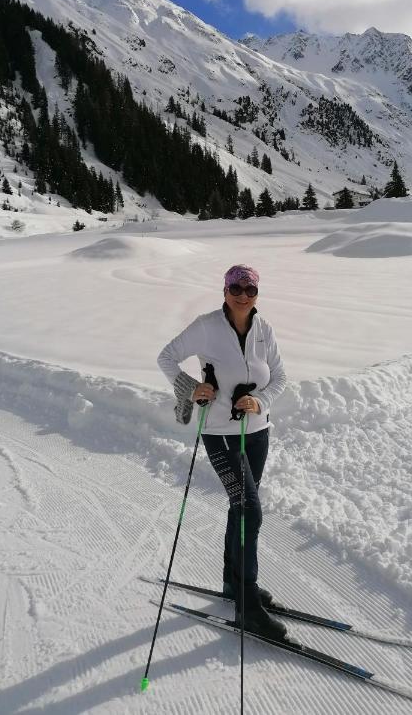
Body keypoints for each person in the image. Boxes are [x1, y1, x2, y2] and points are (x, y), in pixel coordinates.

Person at [157, 264, 288, 640]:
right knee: (249, 509)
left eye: (250, 288)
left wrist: (259, 401)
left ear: (257, 293)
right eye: (236, 287)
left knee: (239, 506)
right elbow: (166, 357)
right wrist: (191, 386)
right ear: (225, 289)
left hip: (257, 432)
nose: (243, 295)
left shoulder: (264, 330)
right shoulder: (207, 325)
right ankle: (247, 605)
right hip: (220, 432)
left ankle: (234, 585)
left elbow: (279, 377)